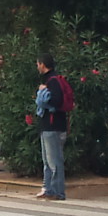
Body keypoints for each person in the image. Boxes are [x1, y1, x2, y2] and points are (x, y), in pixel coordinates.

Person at [33, 52, 69, 201]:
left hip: (53, 126)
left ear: (42, 64)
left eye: (38, 64)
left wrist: (42, 93)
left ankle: (57, 191)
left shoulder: (53, 81)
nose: (37, 67)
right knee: (47, 161)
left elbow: (56, 100)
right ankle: (48, 188)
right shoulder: (50, 80)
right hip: (48, 125)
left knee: (54, 161)